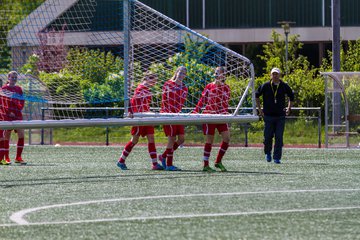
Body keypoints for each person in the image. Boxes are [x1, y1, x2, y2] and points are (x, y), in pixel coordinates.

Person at [116, 71, 164, 170]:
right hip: (139, 118)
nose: (154, 83)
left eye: (155, 82)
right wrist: (132, 112)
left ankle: (155, 164)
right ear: (147, 78)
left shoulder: (148, 90)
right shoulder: (140, 89)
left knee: (151, 138)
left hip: (146, 117)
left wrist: (150, 112)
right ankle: (121, 161)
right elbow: (133, 102)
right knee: (134, 140)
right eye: (153, 81)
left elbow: (145, 104)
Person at [193, 66, 230, 172]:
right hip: (209, 115)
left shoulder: (226, 87)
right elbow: (202, 100)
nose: (217, 74)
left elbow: (226, 103)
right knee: (210, 140)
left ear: (224, 75)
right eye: (216, 72)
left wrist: (226, 115)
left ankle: (218, 161)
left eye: (220, 72)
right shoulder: (209, 86)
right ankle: (206, 165)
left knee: (227, 138)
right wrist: (196, 111)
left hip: (221, 116)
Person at [255, 67, 294, 164]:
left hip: (280, 116)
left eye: (276, 74)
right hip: (268, 116)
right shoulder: (265, 85)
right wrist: (260, 109)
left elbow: (291, 96)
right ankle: (267, 152)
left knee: (279, 137)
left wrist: (289, 108)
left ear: (279, 75)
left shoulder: (284, 86)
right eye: (273, 74)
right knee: (267, 137)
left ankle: (277, 157)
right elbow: (256, 95)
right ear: (270, 75)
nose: (275, 75)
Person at [158, 66, 188, 171]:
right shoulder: (168, 84)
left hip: (177, 115)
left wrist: (177, 113)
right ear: (176, 72)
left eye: (184, 73)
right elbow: (164, 100)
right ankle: (169, 164)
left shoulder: (184, 88)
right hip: (168, 115)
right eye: (180, 72)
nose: (181, 74)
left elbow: (181, 103)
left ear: (185, 76)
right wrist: (168, 113)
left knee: (181, 139)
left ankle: (163, 156)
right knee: (172, 139)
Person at [0, 71, 26, 165]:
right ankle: (6, 158)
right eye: (12, 77)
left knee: (21, 134)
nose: (14, 79)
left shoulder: (19, 89)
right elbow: (3, 103)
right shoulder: (3, 89)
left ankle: (18, 157)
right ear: (8, 78)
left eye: (15, 77)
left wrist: (17, 110)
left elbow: (22, 101)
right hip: (7, 116)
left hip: (17, 115)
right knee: (7, 136)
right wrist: (9, 112)